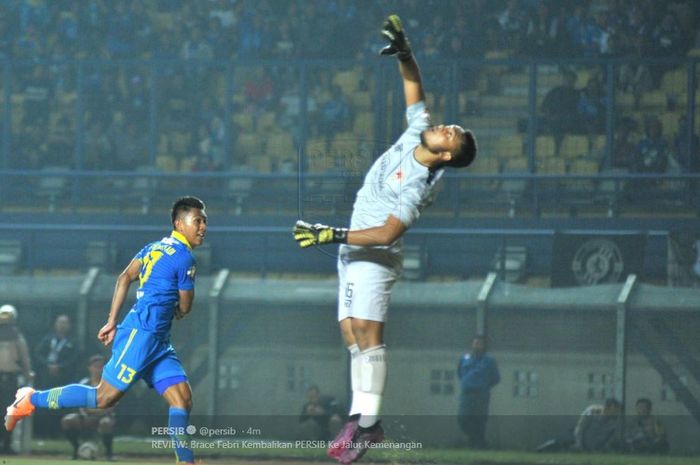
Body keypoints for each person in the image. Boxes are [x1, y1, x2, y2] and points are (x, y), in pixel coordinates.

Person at [293, 15, 477, 465]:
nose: (446, 126)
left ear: (447, 154)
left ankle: (369, 425)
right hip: (352, 248)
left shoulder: (421, 183)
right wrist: (405, 51)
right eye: (449, 125)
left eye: (451, 133)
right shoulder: (419, 131)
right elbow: (414, 88)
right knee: (349, 334)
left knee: (368, 333)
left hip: (372, 251)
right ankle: (359, 415)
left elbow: (389, 233)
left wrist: (330, 232)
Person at [5, 196, 208, 465]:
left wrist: (112, 320)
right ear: (179, 223)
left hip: (157, 340)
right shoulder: (184, 258)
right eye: (198, 221)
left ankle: (185, 461)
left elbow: (125, 276)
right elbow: (186, 304)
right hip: (141, 335)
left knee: (182, 398)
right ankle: (30, 400)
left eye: (204, 221)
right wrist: (179, 310)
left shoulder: (153, 247)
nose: (203, 226)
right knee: (104, 398)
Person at [61, 355, 116, 461]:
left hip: (103, 416)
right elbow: (80, 404)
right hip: (85, 415)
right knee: (68, 420)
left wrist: (97, 413)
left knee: (106, 423)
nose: (98, 369)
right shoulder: (84, 383)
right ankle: (76, 449)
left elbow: (110, 407)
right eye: (95, 366)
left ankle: (109, 454)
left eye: (101, 366)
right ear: (90, 368)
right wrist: (86, 413)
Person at [0, 305, 33, 455]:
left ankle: (7, 444)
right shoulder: (18, 337)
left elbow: (24, 360)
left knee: (9, 412)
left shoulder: (18, 338)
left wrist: (27, 376)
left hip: (10, 378)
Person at [457, 335, 500, 448]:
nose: (477, 345)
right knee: (463, 419)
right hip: (467, 394)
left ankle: (477, 444)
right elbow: (460, 374)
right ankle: (476, 440)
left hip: (481, 395)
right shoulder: (464, 358)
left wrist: (483, 386)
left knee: (479, 420)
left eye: (479, 343)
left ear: (484, 346)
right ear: (472, 344)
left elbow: (495, 378)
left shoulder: (489, 361)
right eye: (475, 343)